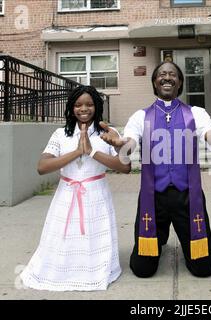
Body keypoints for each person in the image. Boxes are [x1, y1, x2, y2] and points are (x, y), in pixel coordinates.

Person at [100, 61, 211, 278]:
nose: (167, 77)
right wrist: (120, 144)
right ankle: (158, 240)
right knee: (142, 270)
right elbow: (129, 142)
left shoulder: (196, 113)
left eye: (173, 74)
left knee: (204, 269)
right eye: (162, 74)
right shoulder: (141, 116)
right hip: (153, 198)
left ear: (180, 82)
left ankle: (186, 244)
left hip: (188, 197)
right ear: (154, 83)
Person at [20, 85, 130, 291]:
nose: (84, 109)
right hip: (67, 194)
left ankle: (94, 271)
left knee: (93, 235)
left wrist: (92, 151)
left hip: (97, 193)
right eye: (78, 105)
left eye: (89, 104)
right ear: (71, 108)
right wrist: (78, 151)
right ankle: (66, 270)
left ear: (97, 106)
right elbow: (42, 167)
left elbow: (125, 167)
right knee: (65, 236)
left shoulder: (108, 132)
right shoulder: (60, 134)